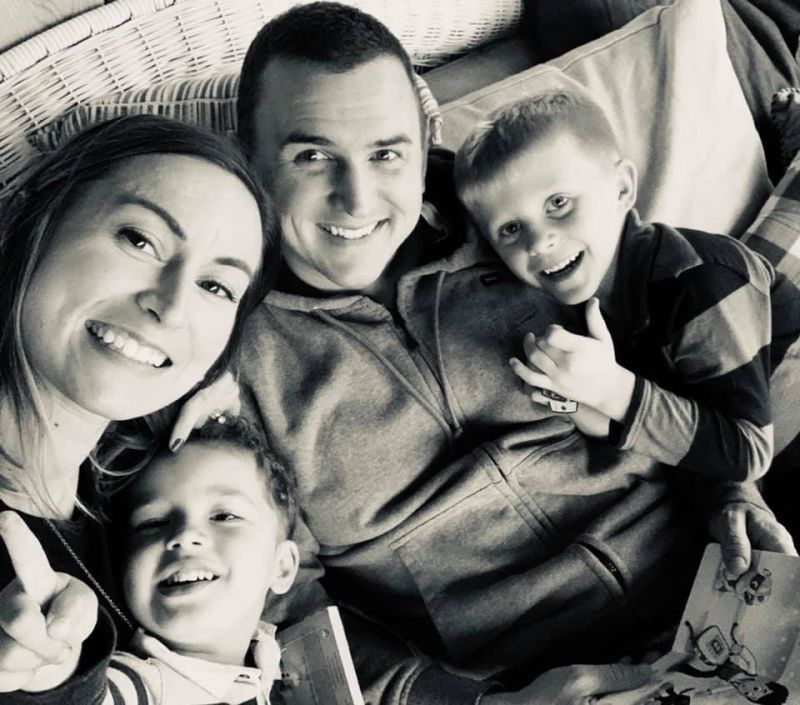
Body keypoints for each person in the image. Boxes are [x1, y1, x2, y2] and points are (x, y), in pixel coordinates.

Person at [228, 3, 796, 704]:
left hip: (720, 592)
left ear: (425, 138)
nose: (357, 198)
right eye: (312, 157)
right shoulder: (228, 357)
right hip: (523, 682)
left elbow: (679, 348)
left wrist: (731, 492)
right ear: (249, 158)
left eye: (386, 153)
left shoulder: (521, 220)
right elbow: (287, 609)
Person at [0, 114, 276, 697]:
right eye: (140, 240)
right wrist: (50, 686)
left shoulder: (126, 478)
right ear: (35, 221)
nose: (171, 308)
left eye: (216, 287)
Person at [453, 90, 800, 483]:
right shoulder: (587, 307)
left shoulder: (700, 280)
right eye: (511, 229)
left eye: (558, 203)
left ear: (621, 188)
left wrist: (612, 390)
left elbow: (748, 452)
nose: (538, 243)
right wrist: (576, 403)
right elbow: (665, 426)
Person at [1, 417, 300, 704]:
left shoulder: (268, 653)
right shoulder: (143, 685)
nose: (185, 535)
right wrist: (54, 668)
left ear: (283, 567)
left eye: (224, 516)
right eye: (152, 523)